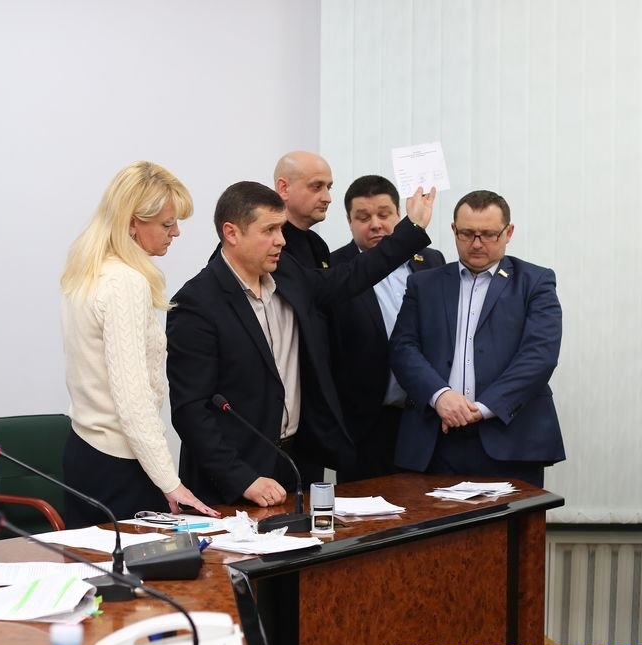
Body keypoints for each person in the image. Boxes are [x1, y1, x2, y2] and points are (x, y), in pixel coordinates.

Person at [166, 180, 435, 507]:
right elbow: (191, 411)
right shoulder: (196, 304)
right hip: (231, 477)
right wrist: (242, 478)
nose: (281, 240)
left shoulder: (287, 272)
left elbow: (350, 277)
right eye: (269, 230)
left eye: (281, 229)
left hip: (295, 463)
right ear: (232, 233)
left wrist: (412, 228)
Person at [59, 160, 218, 528]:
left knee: (91, 563)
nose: (176, 232)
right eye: (166, 224)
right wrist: (170, 482)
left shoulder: (86, 272)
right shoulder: (125, 283)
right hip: (120, 466)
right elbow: (133, 401)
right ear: (132, 222)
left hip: (84, 451)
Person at [390, 189, 565, 487]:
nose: (477, 243)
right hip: (436, 437)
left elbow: (539, 356)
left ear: (508, 232)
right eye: (467, 234)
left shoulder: (534, 282)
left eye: (489, 234)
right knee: (433, 517)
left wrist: (482, 408)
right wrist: (440, 396)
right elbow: (403, 348)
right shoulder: (424, 284)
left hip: (510, 437)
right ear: (453, 230)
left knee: (511, 519)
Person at [329, 175, 445, 482]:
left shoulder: (431, 260)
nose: (376, 225)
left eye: (384, 214)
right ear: (349, 221)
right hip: (364, 423)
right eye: (363, 217)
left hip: (423, 416)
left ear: (400, 214)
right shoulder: (333, 269)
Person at [274, 151, 334, 269]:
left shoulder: (318, 244)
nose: (327, 198)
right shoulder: (269, 243)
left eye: (329, 188)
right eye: (317, 187)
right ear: (284, 188)